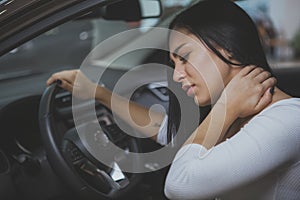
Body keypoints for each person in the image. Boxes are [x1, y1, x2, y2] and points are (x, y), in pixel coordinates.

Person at [47, 0, 300, 199]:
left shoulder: (287, 120)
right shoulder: (235, 114)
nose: (177, 75)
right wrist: (96, 92)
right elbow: (164, 127)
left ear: (228, 48)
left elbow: (180, 185)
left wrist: (225, 108)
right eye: (174, 63)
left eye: (185, 58)